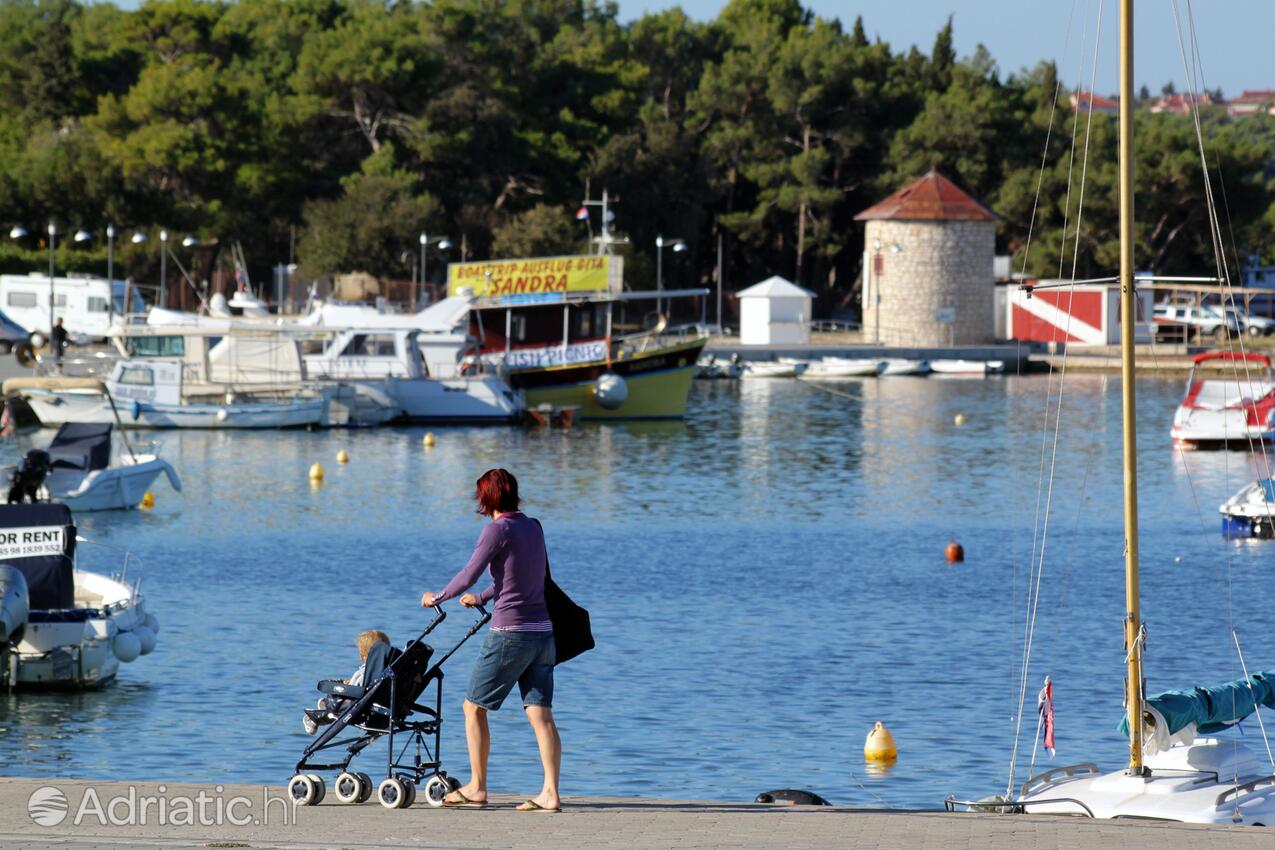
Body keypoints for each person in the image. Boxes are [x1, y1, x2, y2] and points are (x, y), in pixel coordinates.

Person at [420, 468, 561, 812]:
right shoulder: (533, 526)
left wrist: (437, 597)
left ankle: (478, 786)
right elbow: (522, 577)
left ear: (486, 498)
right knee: (540, 715)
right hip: (543, 634)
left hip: (510, 634)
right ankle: (550, 793)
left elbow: (469, 574)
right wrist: (482, 598)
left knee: (472, 707)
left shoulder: (495, 530)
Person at [302, 629, 390, 735]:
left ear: (365, 657)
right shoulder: (388, 672)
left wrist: (346, 684)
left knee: (336, 691)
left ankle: (315, 718)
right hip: (384, 705)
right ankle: (326, 705)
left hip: (360, 707)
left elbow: (354, 689)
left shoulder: (365, 672)